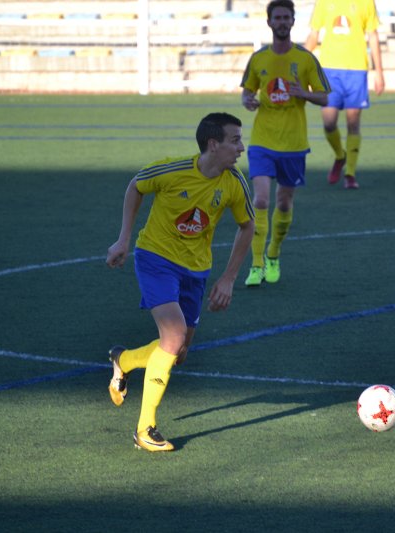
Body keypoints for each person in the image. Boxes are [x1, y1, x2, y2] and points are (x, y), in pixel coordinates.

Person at [105, 112, 255, 453]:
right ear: (213, 145)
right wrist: (124, 239)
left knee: (179, 353)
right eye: (235, 140)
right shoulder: (171, 170)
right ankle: (145, 429)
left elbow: (248, 226)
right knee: (171, 337)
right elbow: (135, 186)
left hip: (195, 270)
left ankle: (123, 360)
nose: (241, 148)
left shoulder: (234, 183)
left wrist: (229, 278)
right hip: (156, 258)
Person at [240, 0, 329, 287]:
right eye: (276, 17)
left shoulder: (305, 58)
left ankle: (274, 253)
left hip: (293, 143)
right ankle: (256, 264)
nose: (281, 22)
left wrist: (302, 92)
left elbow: (324, 96)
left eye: (285, 17)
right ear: (269, 22)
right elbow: (247, 92)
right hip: (262, 140)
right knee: (262, 199)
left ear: (292, 22)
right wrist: (248, 101)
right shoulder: (258, 59)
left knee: (284, 201)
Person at [305, 0, 385, 190]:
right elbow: (314, 34)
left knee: (353, 122)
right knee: (329, 122)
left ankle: (350, 173)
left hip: (357, 70)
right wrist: (300, 61)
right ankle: (340, 156)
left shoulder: (367, 2)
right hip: (330, 71)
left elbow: (373, 36)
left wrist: (379, 71)